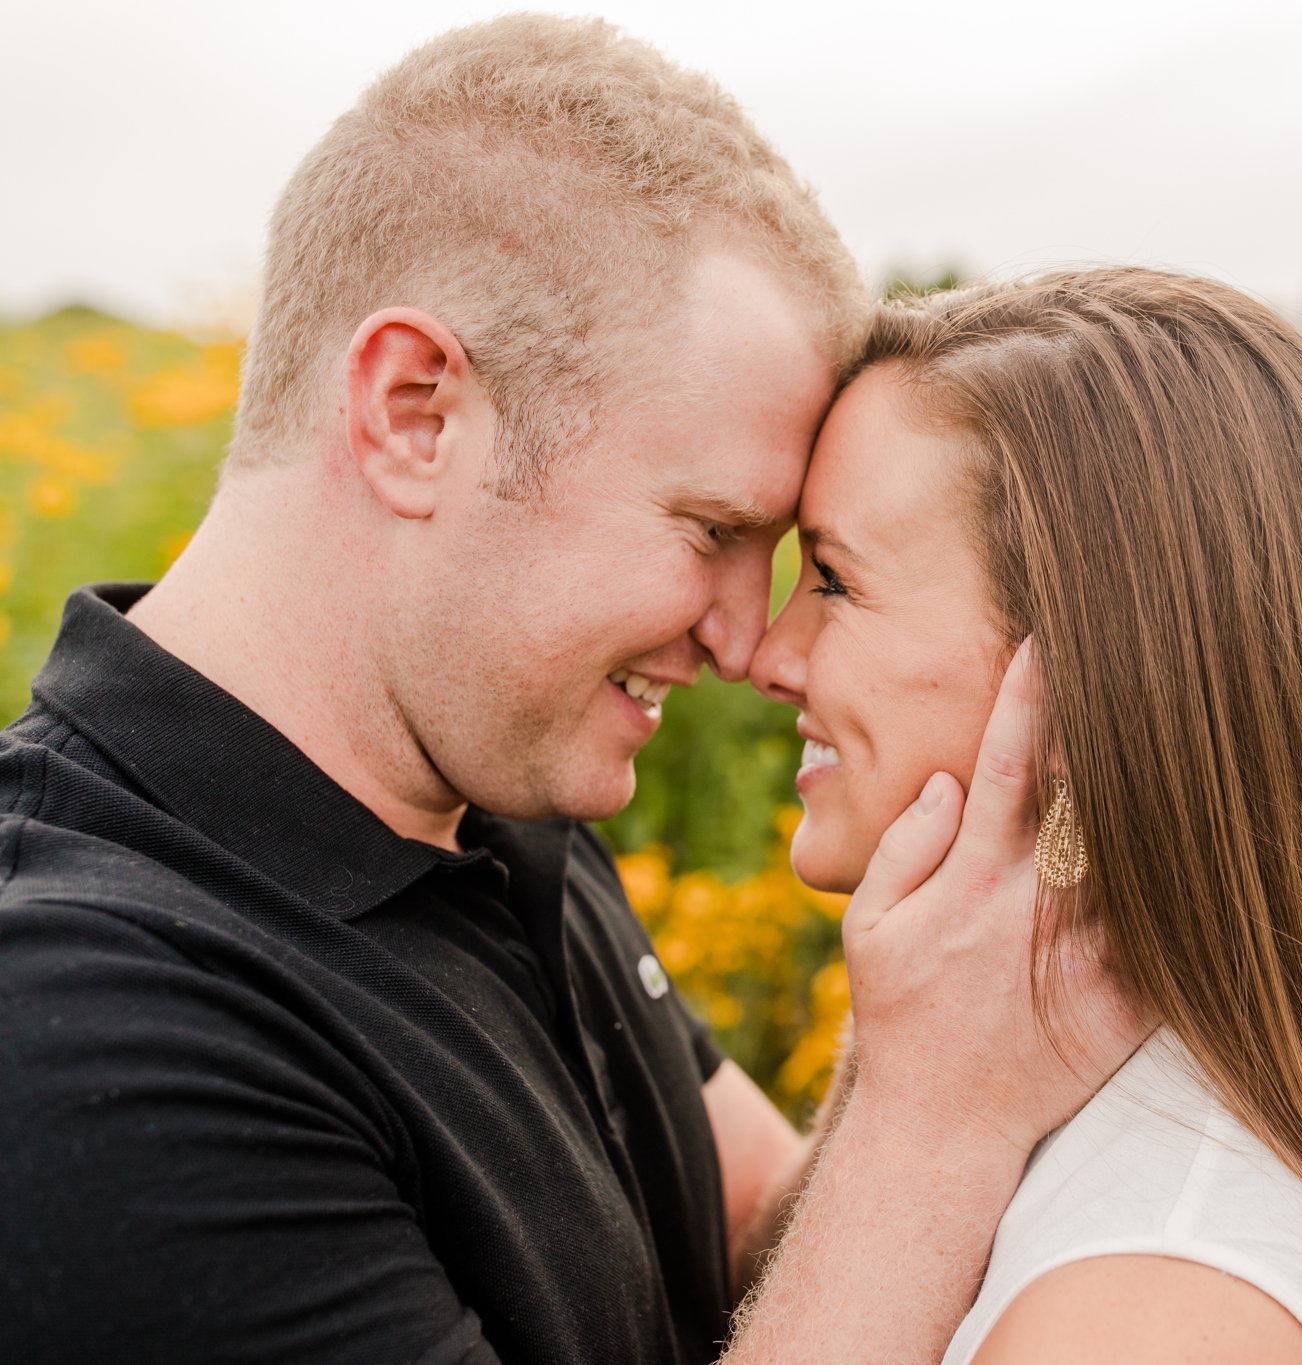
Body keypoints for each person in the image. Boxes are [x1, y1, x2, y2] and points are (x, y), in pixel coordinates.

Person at [0, 17, 1141, 1364]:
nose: (745, 640)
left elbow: (759, 1229)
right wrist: (929, 1115)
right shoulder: (84, 1037)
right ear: (417, 412)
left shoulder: (489, 793)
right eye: (711, 530)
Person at [748, 269, 1302, 1365]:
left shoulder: (1150, 1314)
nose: (768, 655)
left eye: (835, 581)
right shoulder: (1078, 1134)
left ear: (1081, 676)